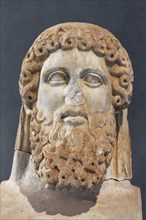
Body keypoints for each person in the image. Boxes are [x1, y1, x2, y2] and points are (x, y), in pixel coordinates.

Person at [1, 23, 142, 219]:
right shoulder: (4, 204)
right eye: (57, 77)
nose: (74, 95)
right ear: (30, 101)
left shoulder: (128, 204)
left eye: (92, 79)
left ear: (115, 101)